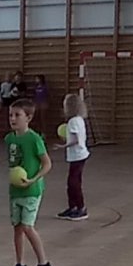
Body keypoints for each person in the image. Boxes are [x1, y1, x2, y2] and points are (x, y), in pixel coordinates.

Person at [3, 99, 54, 266]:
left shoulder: (34, 139)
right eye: (10, 115)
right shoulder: (9, 139)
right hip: (15, 191)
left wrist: (34, 179)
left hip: (31, 191)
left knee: (27, 227)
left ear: (29, 118)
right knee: (17, 227)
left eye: (17, 115)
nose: (13, 118)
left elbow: (47, 163)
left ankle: (44, 265)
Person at [57, 91, 90, 220]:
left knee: (73, 183)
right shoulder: (79, 119)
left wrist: (63, 146)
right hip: (80, 154)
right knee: (73, 182)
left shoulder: (72, 121)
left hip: (77, 155)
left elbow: (76, 139)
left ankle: (81, 208)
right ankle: (73, 207)